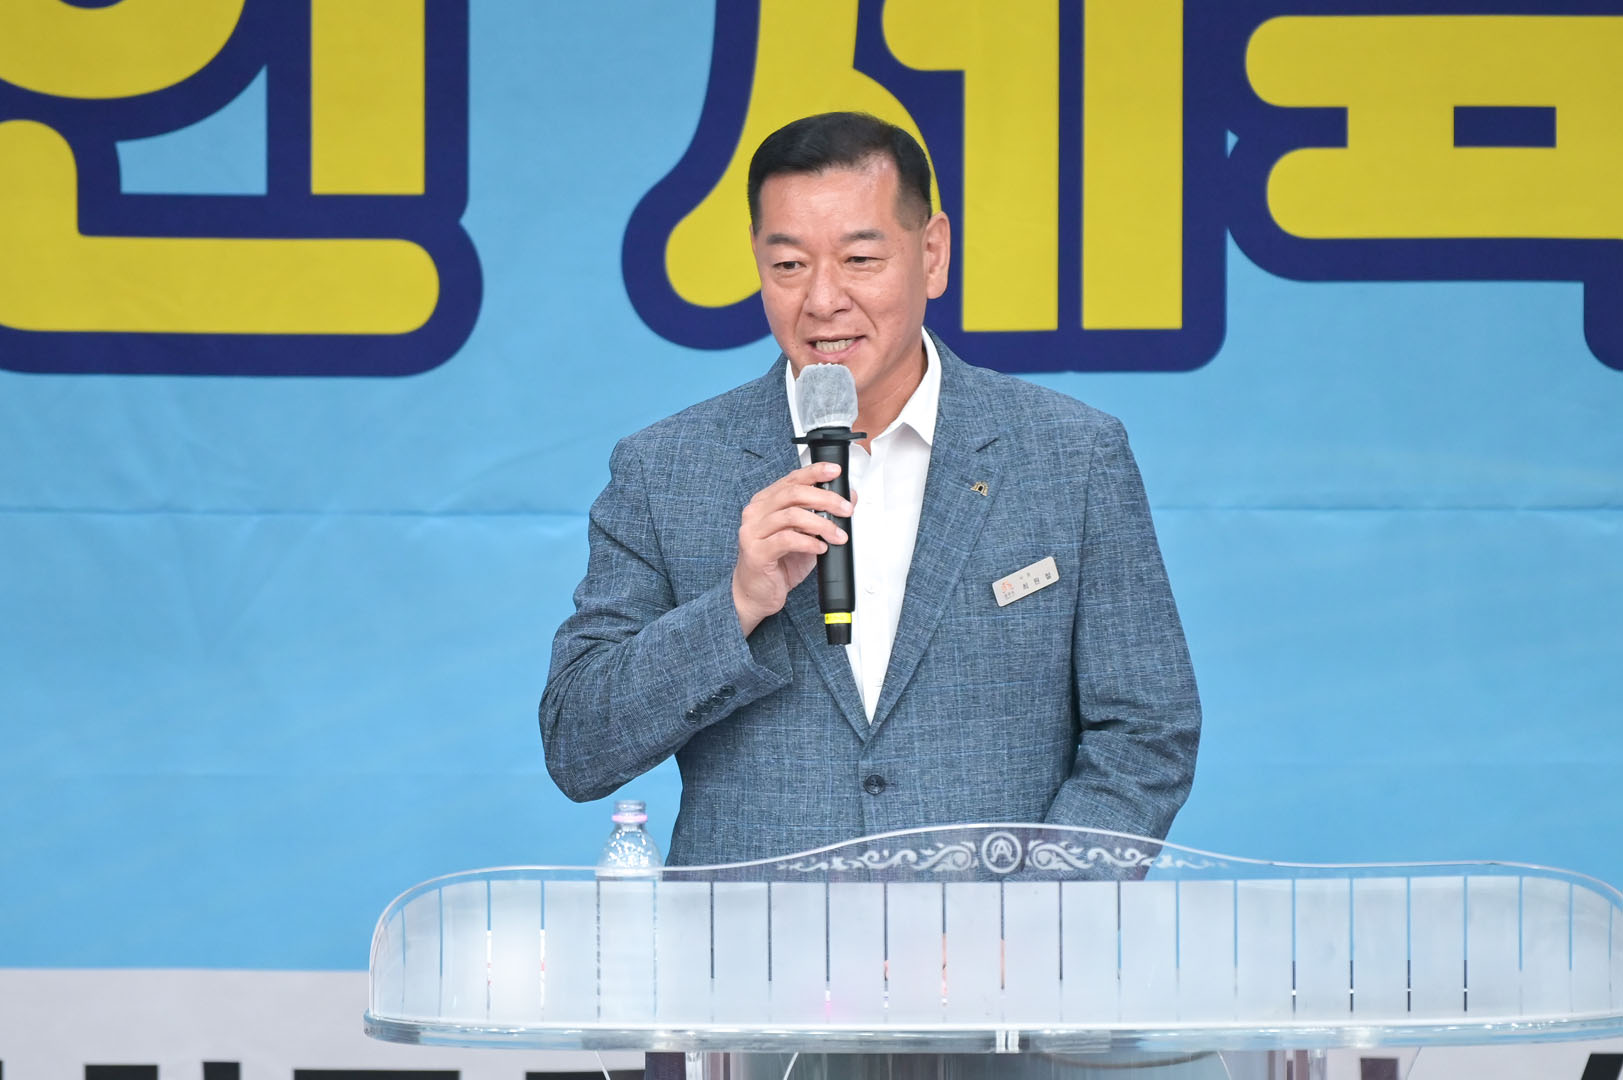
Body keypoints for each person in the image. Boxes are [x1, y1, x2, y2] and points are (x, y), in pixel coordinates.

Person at [540, 112, 1199, 866]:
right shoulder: (667, 471)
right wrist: (736, 606)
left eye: (859, 259)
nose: (823, 299)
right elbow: (577, 746)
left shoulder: (1070, 456)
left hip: (995, 940)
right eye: (789, 265)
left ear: (932, 254)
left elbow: (1146, 735)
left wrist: (1031, 914)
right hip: (748, 940)